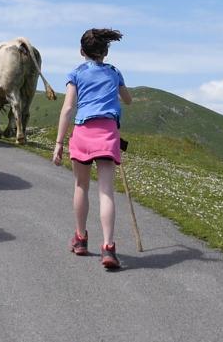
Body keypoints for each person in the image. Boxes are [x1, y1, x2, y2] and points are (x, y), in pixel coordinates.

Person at [53, 28, 132, 269]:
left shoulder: (75, 74)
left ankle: (80, 239)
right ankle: (108, 248)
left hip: (83, 133)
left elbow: (67, 109)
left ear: (81, 52)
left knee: (81, 186)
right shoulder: (114, 72)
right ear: (105, 52)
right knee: (106, 191)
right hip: (107, 133)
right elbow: (127, 100)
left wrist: (58, 144)